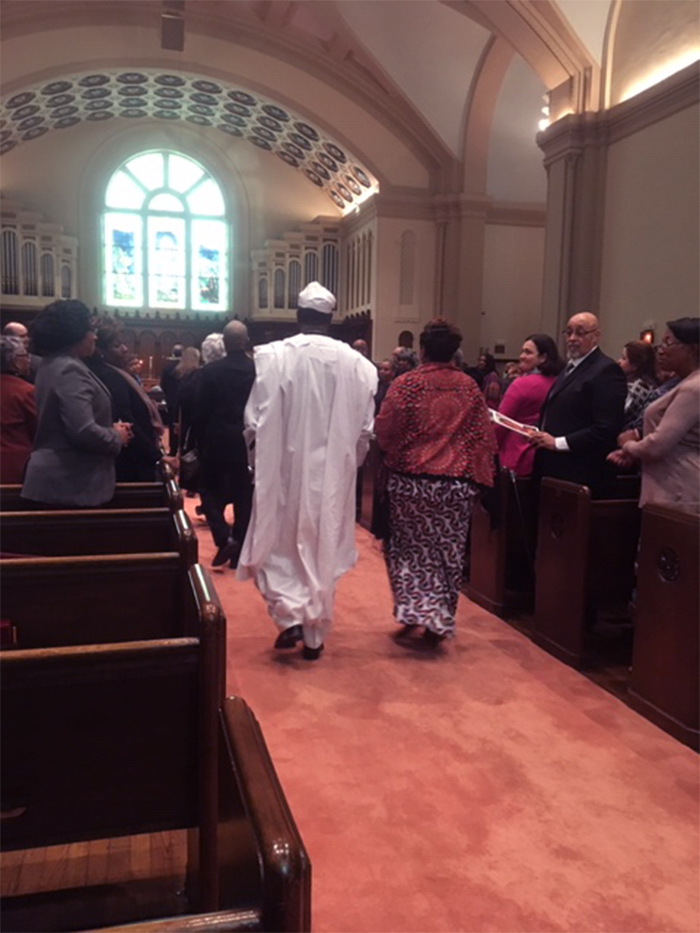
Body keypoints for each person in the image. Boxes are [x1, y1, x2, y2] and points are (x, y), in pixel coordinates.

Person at [237, 282, 378, 660]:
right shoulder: (359, 365)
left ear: (298, 316)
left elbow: (253, 420)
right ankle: (314, 638)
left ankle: (289, 618)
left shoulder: (272, 357)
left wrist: (257, 463)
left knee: (277, 543)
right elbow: (366, 429)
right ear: (331, 320)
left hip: (283, 471)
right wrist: (350, 465)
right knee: (322, 547)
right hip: (333, 475)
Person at [375, 318, 496, 646]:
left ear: (423, 349)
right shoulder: (469, 386)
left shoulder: (406, 384)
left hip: (411, 483)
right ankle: (435, 617)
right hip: (454, 485)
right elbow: (483, 436)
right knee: (447, 552)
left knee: (407, 551)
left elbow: (385, 429)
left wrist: (394, 454)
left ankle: (417, 611)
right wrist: (479, 477)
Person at [21, 300, 132, 507]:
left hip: (62, 483)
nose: (95, 337)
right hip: (69, 484)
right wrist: (116, 435)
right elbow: (83, 431)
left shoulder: (53, 363)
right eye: (91, 330)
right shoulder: (68, 369)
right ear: (74, 333)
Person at [608, 317, 699, 514]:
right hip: (669, 483)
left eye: (668, 342)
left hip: (679, 489)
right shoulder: (685, 383)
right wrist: (633, 452)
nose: (661, 349)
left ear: (691, 349)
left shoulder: (694, 389)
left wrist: (628, 445)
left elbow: (658, 445)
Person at [529, 312, 627, 495]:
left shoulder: (606, 370)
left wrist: (558, 443)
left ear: (596, 336)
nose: (572, 338)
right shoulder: (571, 367)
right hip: (553, 467)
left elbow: (606, 428)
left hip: (579, 471)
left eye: (580, 333)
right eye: (569, 332)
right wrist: (537, 431)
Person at [193, 321, 255, 569]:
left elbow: (200, 411)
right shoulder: (257, 370)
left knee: (207, 491)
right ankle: (238, 546)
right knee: (243, 495)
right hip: (247, 440)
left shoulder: (210, 372)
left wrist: (200, 440)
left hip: (216, 440)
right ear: (247, 341)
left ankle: (222, 537)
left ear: (225, 343)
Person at [85, 321, 166, 482]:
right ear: (100, 350)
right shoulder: (109, 376)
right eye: (117, 345)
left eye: (123, 343)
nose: (125, 349)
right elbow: (127, 420)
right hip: (130, 461)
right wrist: (156, 456)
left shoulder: (113, 373)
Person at [495, 334, 564, 477]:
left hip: (517, 456)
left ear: (543, 358)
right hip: (546, 457)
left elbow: (501, 423)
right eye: (522, 351)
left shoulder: (522, 384)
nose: (521, 356)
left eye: (528, 352)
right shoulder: (560, 383)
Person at [0, 335, 36, 483]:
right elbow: (41, 432)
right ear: (15, 361)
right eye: (25, 355)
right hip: (16, 468)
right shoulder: (26, 392)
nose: (29, 360)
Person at [618, 340, 658, 433]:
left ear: (635, 365)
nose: (619, 361)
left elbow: (618, 414)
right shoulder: (650, 384)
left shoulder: (635, 389)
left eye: (624, 358)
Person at [160, 343, 183, 455]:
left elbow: (163, 385)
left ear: (173, 353)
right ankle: (183, 449)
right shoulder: (186, 367)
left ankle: (172, 450)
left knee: (171, 424)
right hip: (184, 400)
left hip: (171, 400)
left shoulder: (167, 367)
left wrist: (168, 394)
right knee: (183, 423)